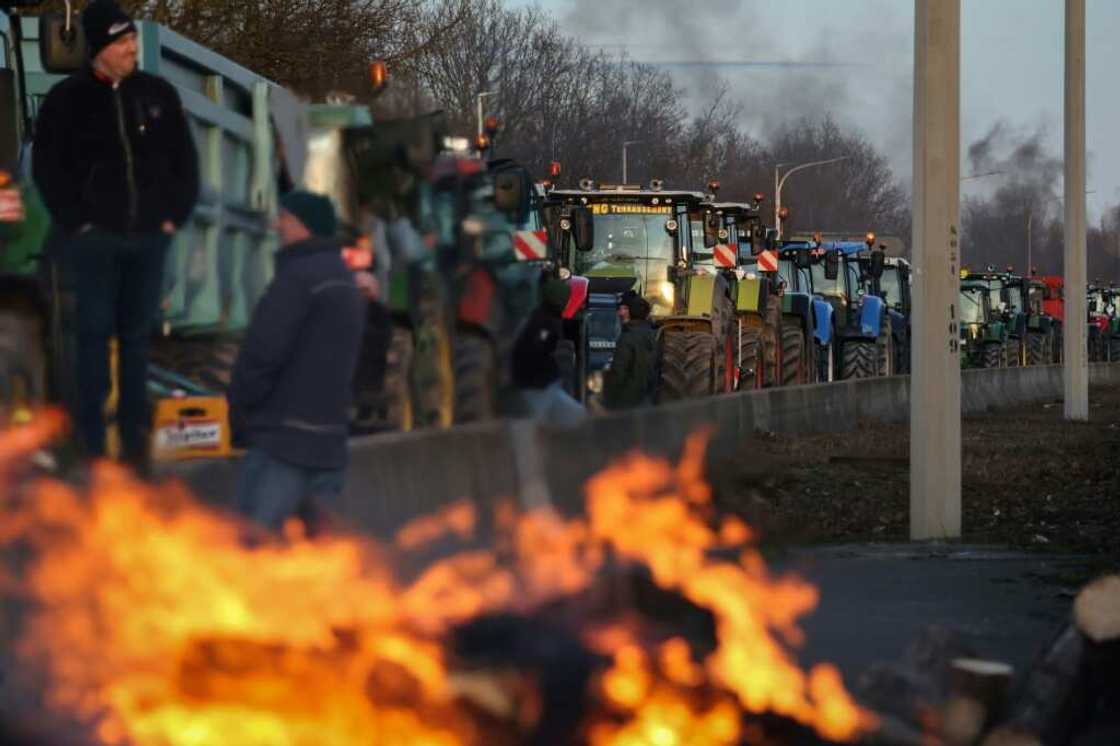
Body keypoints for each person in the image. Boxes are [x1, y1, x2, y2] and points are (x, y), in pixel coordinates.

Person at [32, 0, 199, 468]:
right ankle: (90, 443)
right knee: (91, 335)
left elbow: (184, 164)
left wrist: (171, 218)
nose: (132, 48)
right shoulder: (67, 101)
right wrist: (77, 223)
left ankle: (132, 442)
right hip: (94, 242)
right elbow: (49, 168)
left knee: (136, 340)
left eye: (132, 39)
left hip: (149, 239)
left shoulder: (158, 95)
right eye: (123, 41)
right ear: (100, 47)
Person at [229, 191, 365, 534]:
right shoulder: (345, 281)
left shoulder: (297, 279)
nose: (277, 225)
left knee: (251, 553)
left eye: (285, 218)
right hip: (330, 447)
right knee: (313, 562)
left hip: (283, 445)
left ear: (305, 226)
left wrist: (241, 411)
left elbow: (262, 353)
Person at [510, 278, 586, 426]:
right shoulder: (544, 323)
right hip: (538, 388)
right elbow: (535, 351)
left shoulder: (544, 317)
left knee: (576, 415)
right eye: (566, 299)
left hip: (544, 385)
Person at [602, 291, 656, 410]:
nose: (620, 313)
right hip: (648, 403)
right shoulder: (654, 336)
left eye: (625, 309)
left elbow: (618, 372)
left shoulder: (627, 338)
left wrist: (608, 400)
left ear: (631, 312)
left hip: (626, 404)